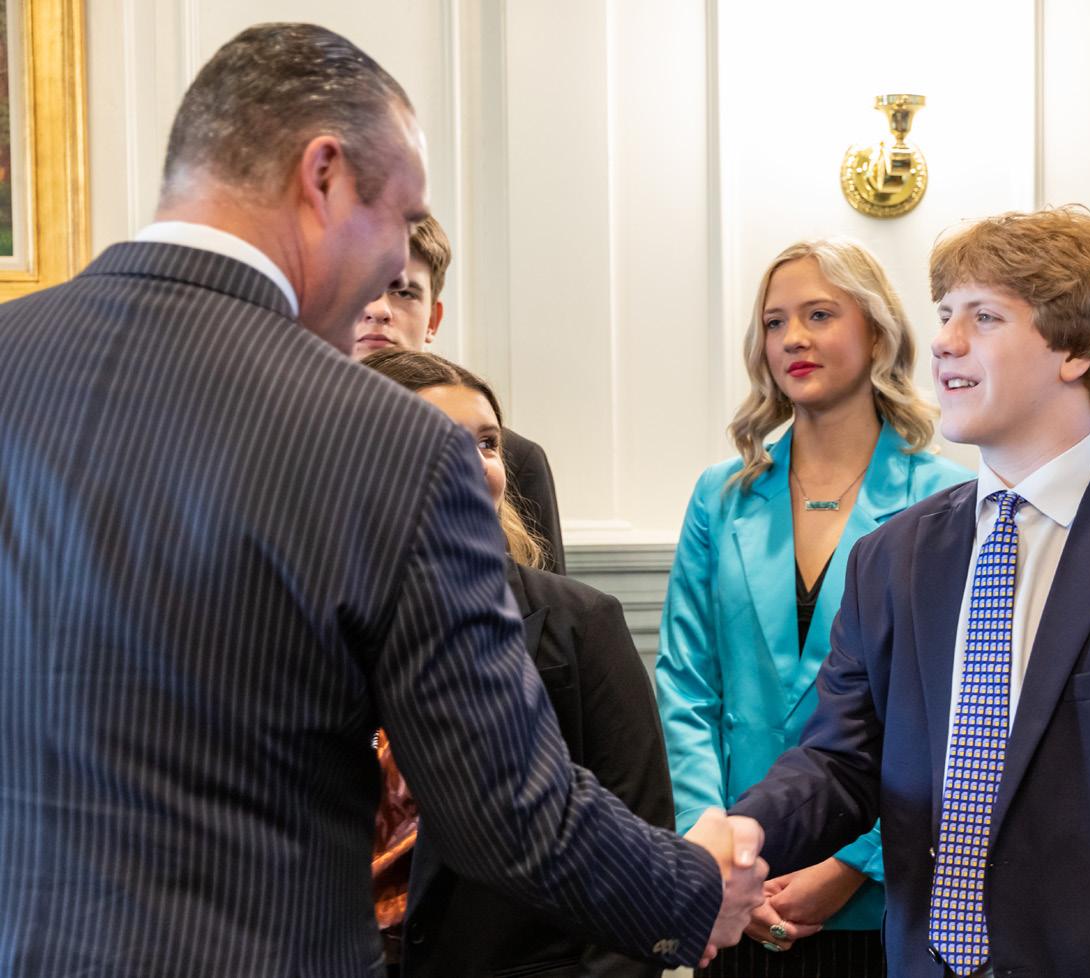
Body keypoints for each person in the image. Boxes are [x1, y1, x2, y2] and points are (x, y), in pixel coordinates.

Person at [0, 23, 765, 977]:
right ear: (323, 175)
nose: (398, 259)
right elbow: (504, 809)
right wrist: (692, 886)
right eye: (403, 217)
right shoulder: (388, 443)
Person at [731, 207, 1090, 977]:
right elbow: (839, 764)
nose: (943, 341)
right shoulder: (890, 558)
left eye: (982, 317)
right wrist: (736, 836)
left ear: (1074, 348)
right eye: (944, 314)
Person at [657, 239, 970, 977]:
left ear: (877, 332)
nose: (791, 338)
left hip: (882, 897)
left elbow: (953, 715)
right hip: (733, 890)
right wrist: (712, 848)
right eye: (774, 322)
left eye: (819, 315)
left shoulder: (946, 499)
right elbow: (685, 686)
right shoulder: (720, 495)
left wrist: (852, 865)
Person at [362, 348, 671, 978]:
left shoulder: (581, 624)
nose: (479, 465)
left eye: (487, 443)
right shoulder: (312, 624)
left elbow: (641, 833)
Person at [352, 216, 566, 572]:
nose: (379, 310)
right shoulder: (269, 443)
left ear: (433, 320)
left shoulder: (514, 459)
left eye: (403, 292)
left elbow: (548, 601)